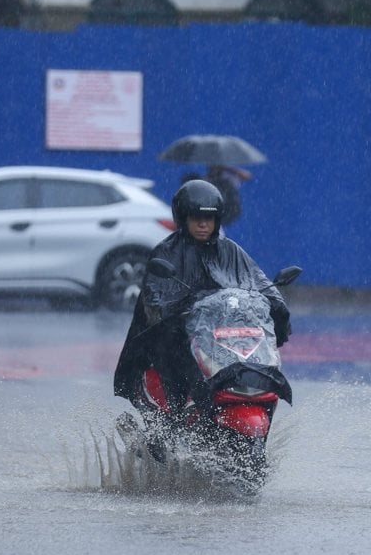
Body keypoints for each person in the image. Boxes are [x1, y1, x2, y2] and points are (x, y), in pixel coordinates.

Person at [113, 178, 290, 418]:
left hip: (221, 333)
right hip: (176, 337)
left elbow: (260, 283)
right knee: (178, 370)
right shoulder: (167, 252)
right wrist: (176, 310)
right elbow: (155, 297)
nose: (203, 224)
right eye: (196, 218)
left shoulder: (231, 251)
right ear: (183, 218)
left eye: (209, 218)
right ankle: (173, 425)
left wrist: (276, 305)